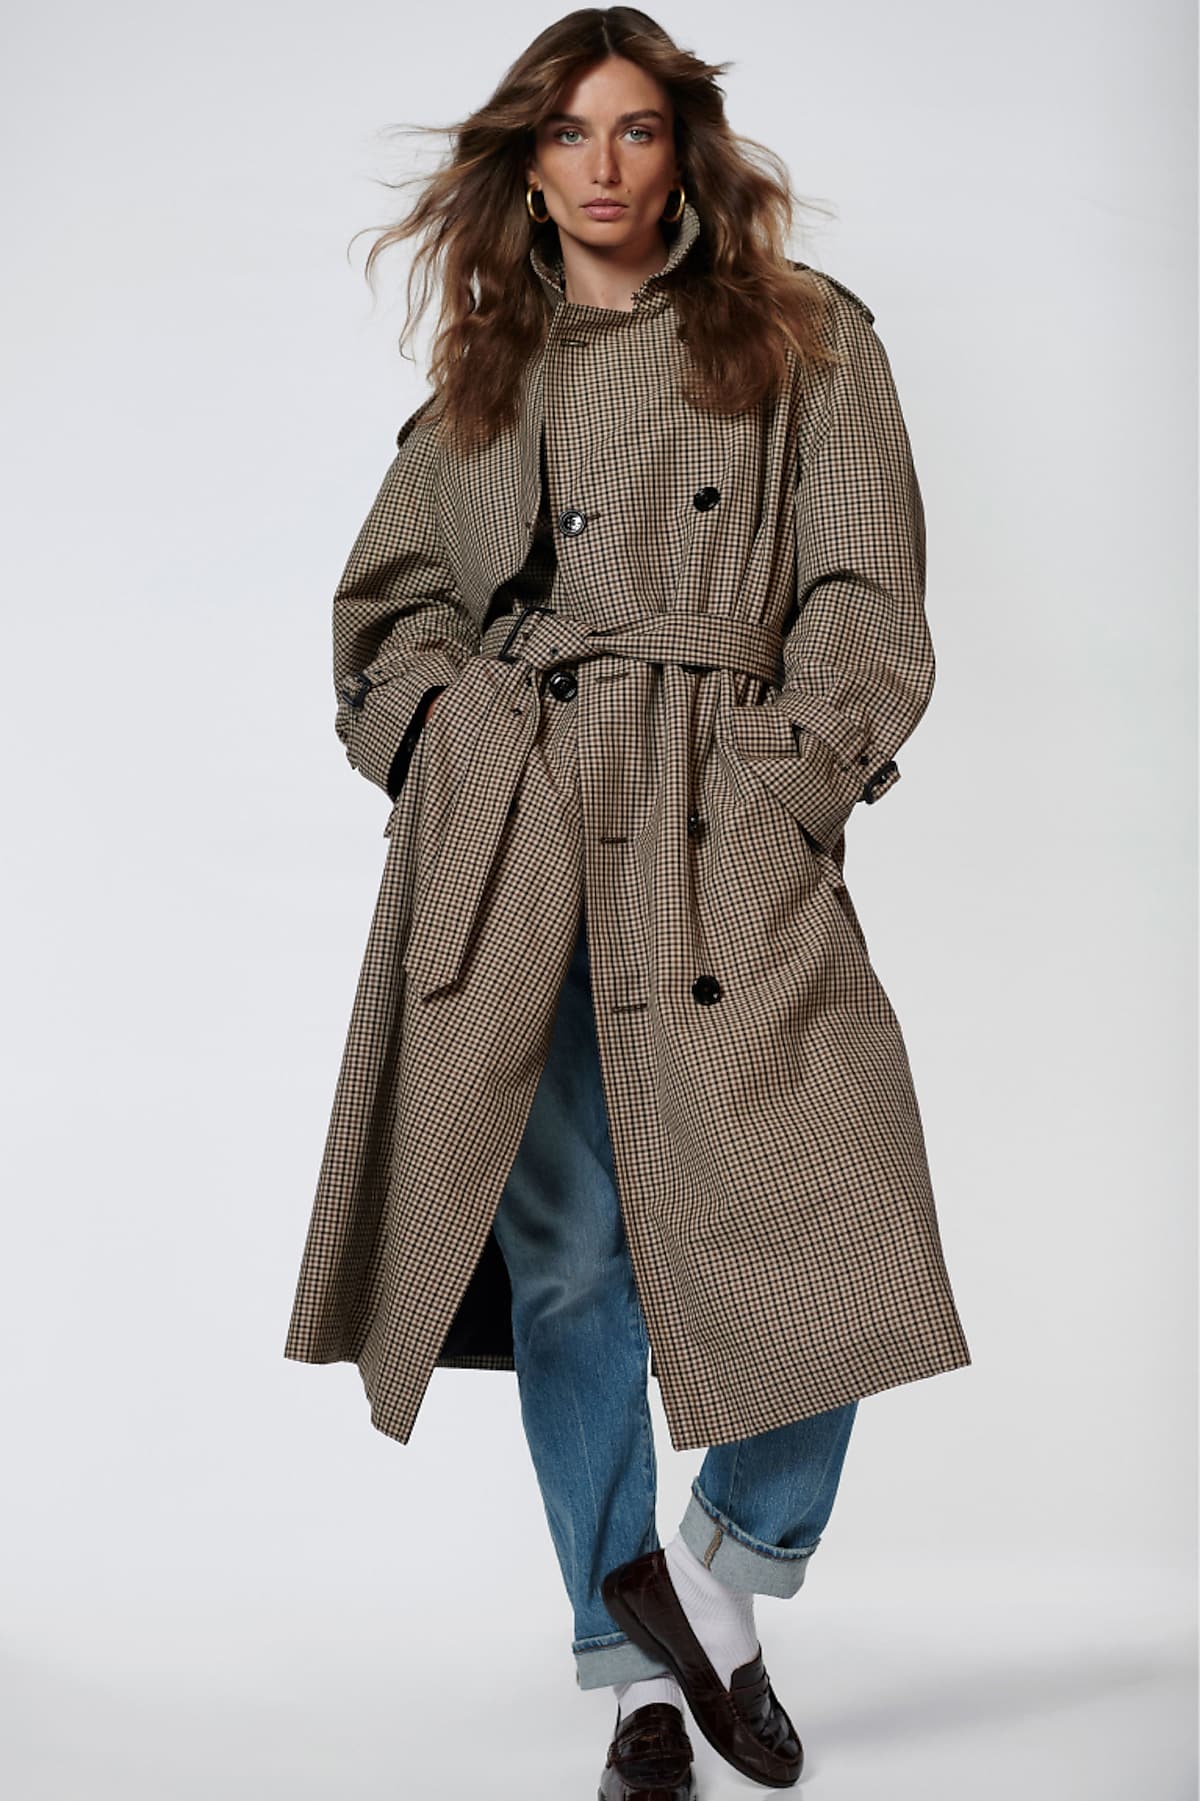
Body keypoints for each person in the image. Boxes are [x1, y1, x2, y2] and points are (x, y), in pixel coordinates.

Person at [283, 9, 972, 1796]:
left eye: (639, 128)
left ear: (687, 150)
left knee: (832, 1214)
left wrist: (778, 787)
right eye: (570, 134)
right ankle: (635, 1690)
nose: (605, 165)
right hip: (523, 835)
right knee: (574, 1265)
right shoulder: (483, 388)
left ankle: (714, 1584)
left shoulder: (807, 339)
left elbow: (865, 593)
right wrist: (452, 735)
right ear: (526, 163)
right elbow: (384, 618)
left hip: (713, 823)